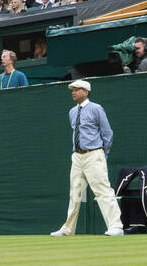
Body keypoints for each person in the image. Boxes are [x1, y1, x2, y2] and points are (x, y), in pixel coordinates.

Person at [52, 80, 124, 237]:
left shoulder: (96, 108)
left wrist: (101, 154)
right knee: (75, 193)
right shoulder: (72, 112)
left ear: (86, 92)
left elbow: (107, 134)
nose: (73, 92)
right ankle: (68, 229)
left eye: (77, 89)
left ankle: (116, 226)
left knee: (103, 190)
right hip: (77, 157)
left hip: (94, 155)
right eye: (72, 89)